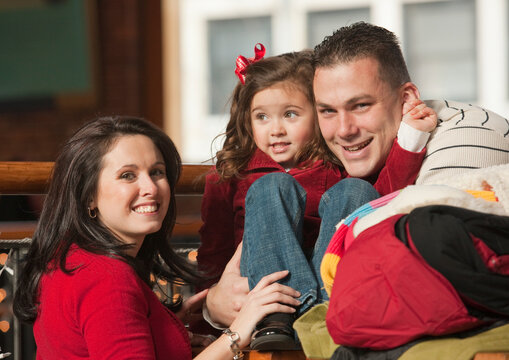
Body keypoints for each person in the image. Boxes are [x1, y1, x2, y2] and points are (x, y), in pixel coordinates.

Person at [199, 44, 437, 350]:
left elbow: (385, 199)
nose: (276, 130)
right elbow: (212, 255)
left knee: (356, 190)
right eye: (262, 117)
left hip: (331, 288)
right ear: (247, 120)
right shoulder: (231, 176)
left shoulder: (338, 163)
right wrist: (209, 315)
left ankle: (324, 311)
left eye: (290, 114)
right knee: (270, 187)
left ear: (317, 114)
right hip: (266, 297)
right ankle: (278, 316)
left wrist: (411, 138)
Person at [13, 116, 301, 360]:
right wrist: (237, 333)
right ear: (89, 196)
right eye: (128, 175)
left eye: (157, 172)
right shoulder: (106, 278)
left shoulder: (72, 256)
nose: (150, 187)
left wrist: (167, 325)